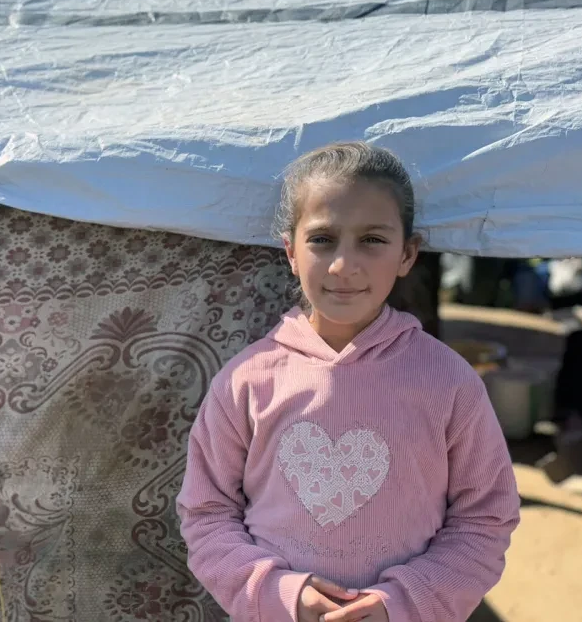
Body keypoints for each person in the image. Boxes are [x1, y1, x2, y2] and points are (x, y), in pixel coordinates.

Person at [177, 142, 520, 622]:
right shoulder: (247, 380)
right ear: (291, 251)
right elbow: (206, 514)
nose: (343, 265)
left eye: (373, 240)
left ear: (408, 253)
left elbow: (485, 520)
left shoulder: (448, 381)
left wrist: (399, 604)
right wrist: (281, 594)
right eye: (322, 239)